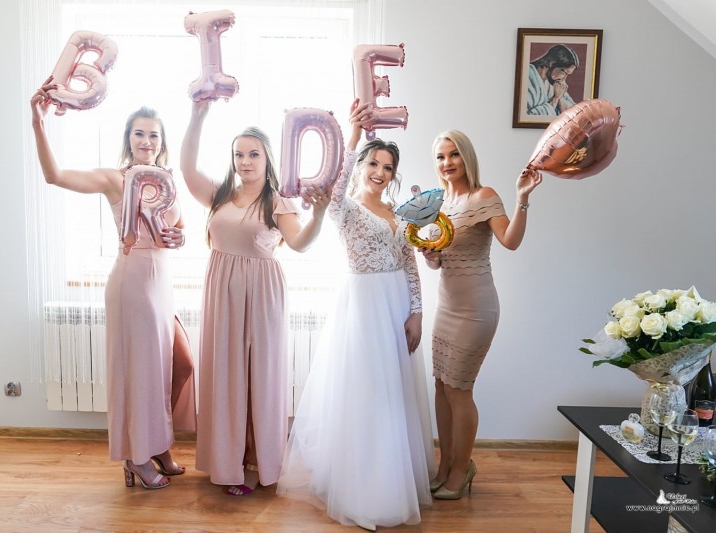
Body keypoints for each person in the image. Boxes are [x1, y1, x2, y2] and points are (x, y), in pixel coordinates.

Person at [276, 101, 437, 531]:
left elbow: (410, 261)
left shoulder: (399, 212)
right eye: (373, 163)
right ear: (362, 165)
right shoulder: (344, 207)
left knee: (394, 394)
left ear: (394, 174)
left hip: (396, 304)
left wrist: (417, 312)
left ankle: (393, 480)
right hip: (363, 306)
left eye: (387, 167)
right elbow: (335, 182)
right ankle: (363, 491)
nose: (379, 172)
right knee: (368, 392)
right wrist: (351, 133)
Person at [31, 78, 196, 490]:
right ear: (129, 139)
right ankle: (136, 457)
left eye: (153, 135)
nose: (146, 141)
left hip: (162, 284)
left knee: (179, 365)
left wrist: (180, 237)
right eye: (139, 133)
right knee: (141, 374)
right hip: (133, 283)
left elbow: (179, 228)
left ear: (162, 142)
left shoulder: (167, 181)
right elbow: (54, 176)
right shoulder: (115, 179)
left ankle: (157, 445)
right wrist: (38, 124)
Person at [180, 99, 331, 496]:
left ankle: (256, 462)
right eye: (239, 155)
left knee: (258, 375)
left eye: (253, 154)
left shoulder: (277, 200)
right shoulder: (221, 195)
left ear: (267, 159)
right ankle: (226, 461)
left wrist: (319, 215)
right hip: (221, 291)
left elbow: (299, 243)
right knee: (225, 374)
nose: (245, 162)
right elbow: (187, 168)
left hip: (261, 293)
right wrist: (197, 115)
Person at [420, 131, 542, 500]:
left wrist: (522, 199)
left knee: (459, 390)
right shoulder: (438, 203)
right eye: (441, 156)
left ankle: (462, 468)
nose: (447, 163)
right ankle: (444, 464)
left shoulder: (484, 196)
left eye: (454, 154)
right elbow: (439, 261)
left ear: (467, 157)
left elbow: (511, 241)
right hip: (446, 306)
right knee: (441, 386)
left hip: (476, 310)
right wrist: (431, 256)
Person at [526, 44, 579, 116]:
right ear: (551, 64)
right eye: (564, 73)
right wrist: (555, 99)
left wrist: (560, 98)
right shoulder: (528, 75)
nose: (564, 79)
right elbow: (527, 116)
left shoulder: (554, 82)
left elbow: (574, 114)